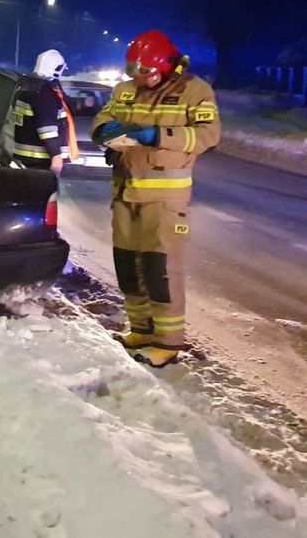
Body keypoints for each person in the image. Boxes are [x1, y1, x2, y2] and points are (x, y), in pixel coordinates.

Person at [91, 29, 221, 368]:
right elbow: (104, 116)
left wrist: (156, 135)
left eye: (146, 72)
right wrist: (104, 131)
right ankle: (140, 330)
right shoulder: (125, 90)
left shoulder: (194, 91)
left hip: (165, 199)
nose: (139, 78)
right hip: (124, 193)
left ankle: (167, 342)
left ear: (166, 65)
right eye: (134, 72)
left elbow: (208, 135)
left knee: (159, 270)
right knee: (128, 267)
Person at [10, 49, 77, 173]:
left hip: (25, 155)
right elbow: (47, 129)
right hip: (42, 158)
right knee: (43, 191)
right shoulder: (44, 93)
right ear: (56, 68)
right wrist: (56, 155)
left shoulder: (25, 87)